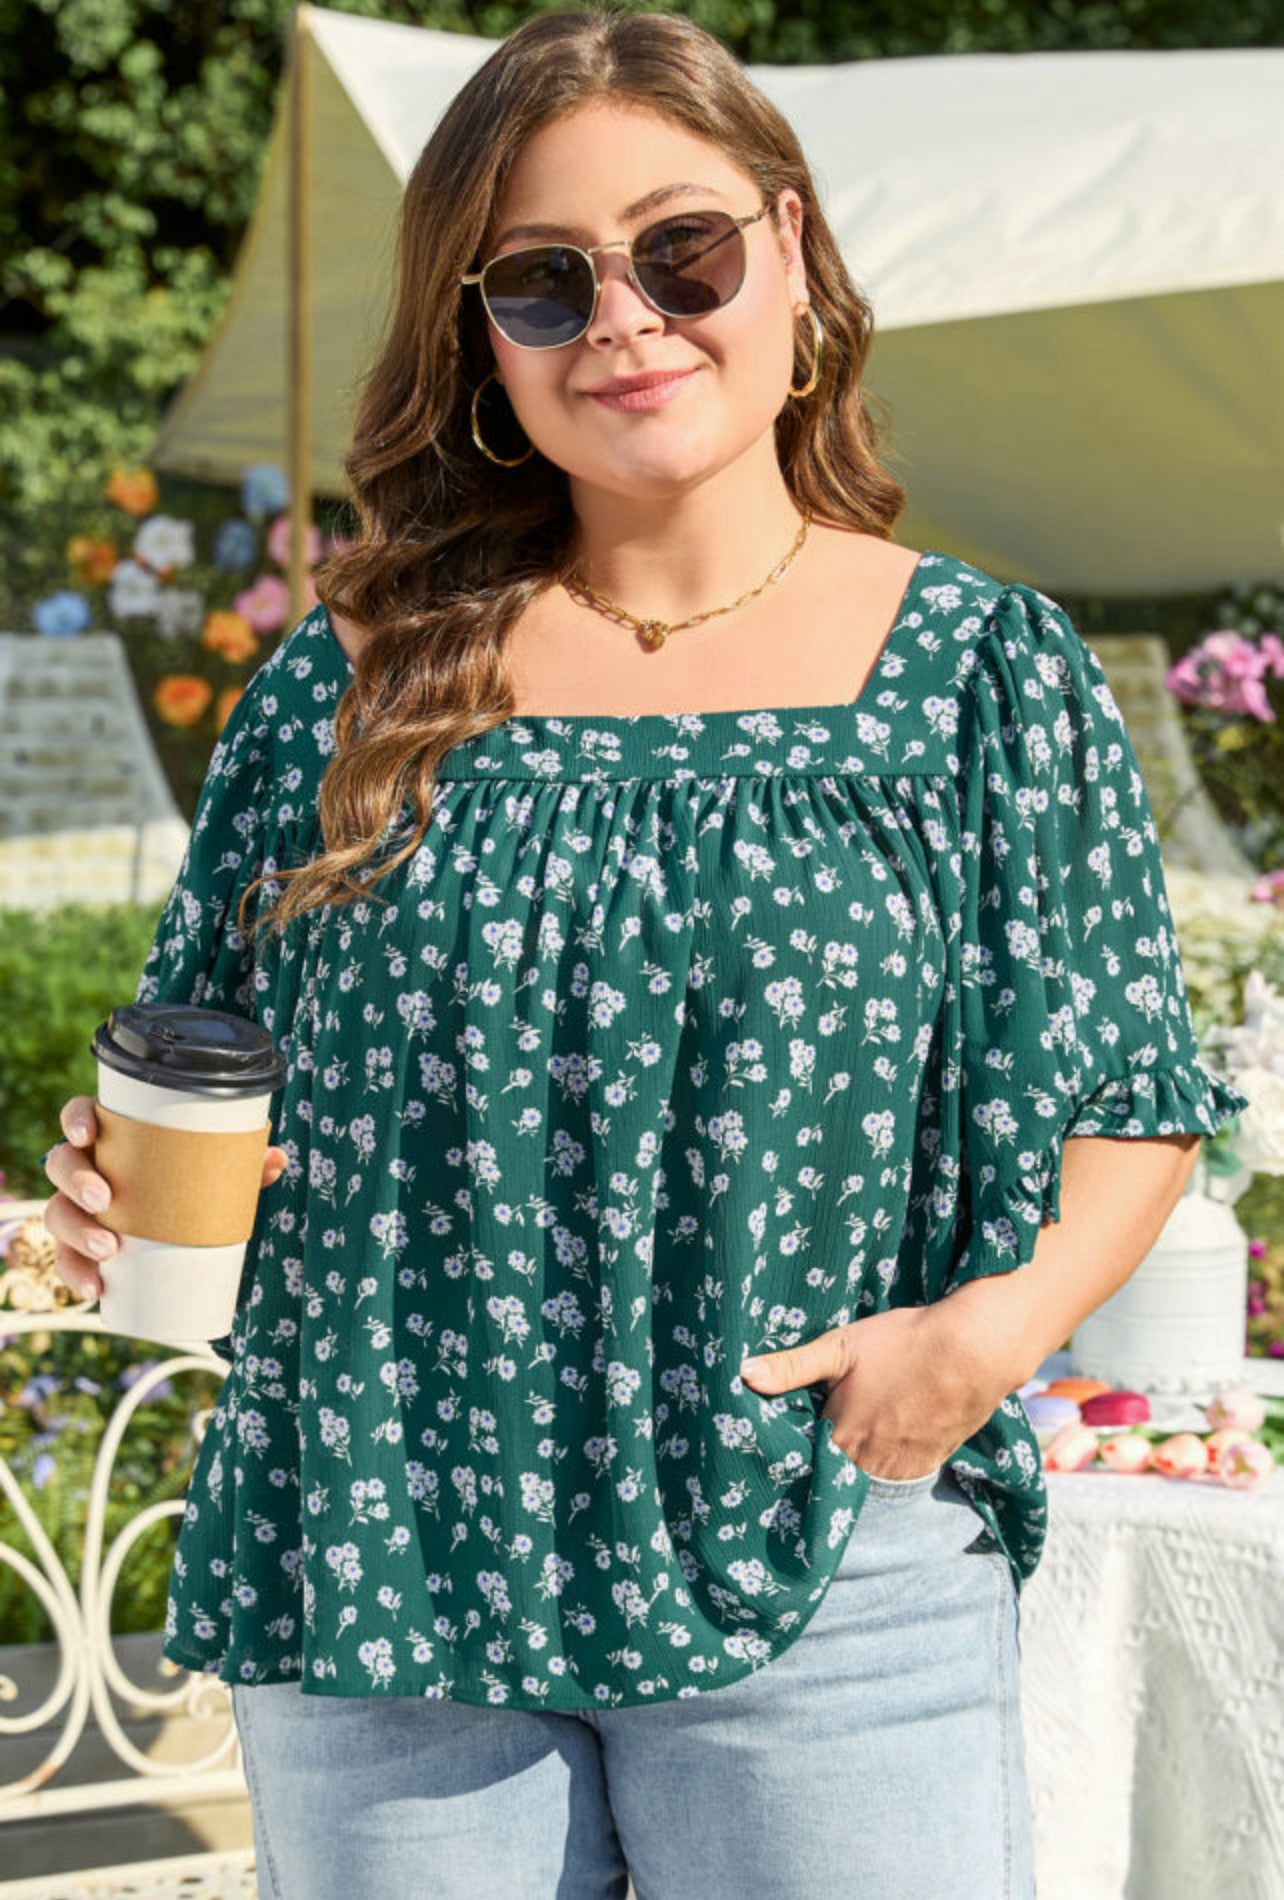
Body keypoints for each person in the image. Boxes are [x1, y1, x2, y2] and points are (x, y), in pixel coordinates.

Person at [42, 8, 1247, 1897]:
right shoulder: (342, 689)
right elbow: (202, 1067)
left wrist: (982, 1341)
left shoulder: (980, 679)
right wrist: (118, 1191)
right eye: (543, 279)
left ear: (790, 253)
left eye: (681, 252)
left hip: (822, 1550)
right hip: (385, 1569)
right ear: (480, 338)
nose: (623, 318)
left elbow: (1127, 1095)